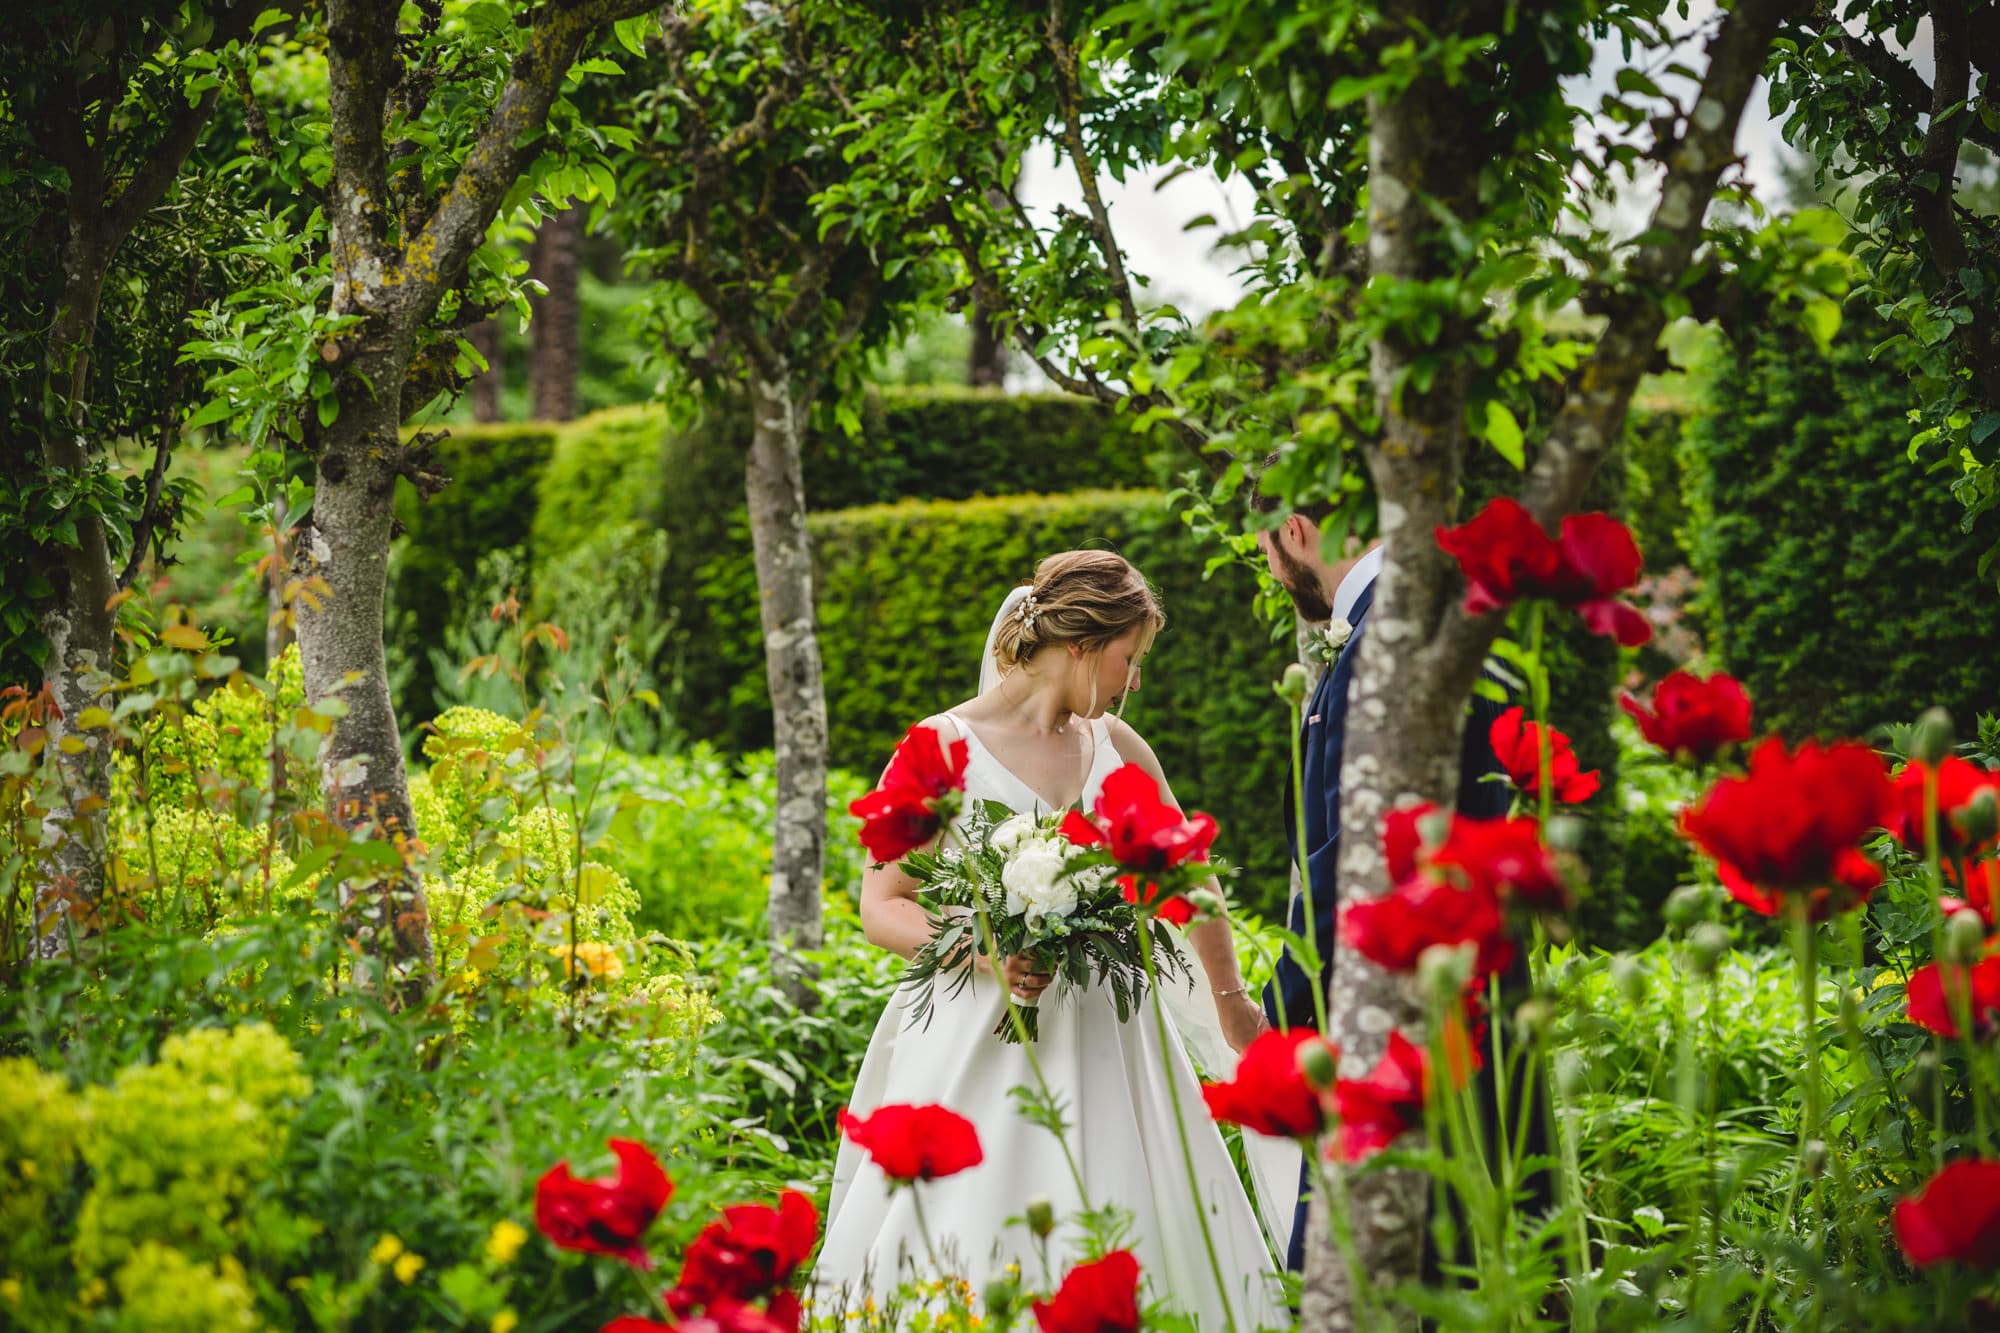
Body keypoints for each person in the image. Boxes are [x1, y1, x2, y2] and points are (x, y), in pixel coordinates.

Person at [814, 550, 1288, 1329]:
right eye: (1128, 659)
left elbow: (1191, 880)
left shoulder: (1120, 749)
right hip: (976, 1035)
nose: (1132, 680)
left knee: (1130, 1217)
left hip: (1114, 1039)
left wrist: (1232, 1001)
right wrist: (982, 949)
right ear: (1080, 645)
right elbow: (882, 902)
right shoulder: (939, 748)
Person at [1249, 478, 1512, 1273]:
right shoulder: (1426, 619)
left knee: (1390, 1272)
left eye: (1265, 551)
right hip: (1453, 990)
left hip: (1398, 1015)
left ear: (1295, 531)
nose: (1269, 573)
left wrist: (1285, 998)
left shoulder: (1382, 642)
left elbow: (1353, 860)